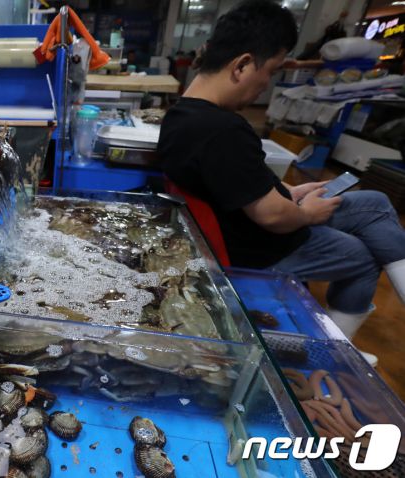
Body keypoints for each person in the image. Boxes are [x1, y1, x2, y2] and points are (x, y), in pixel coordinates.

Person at [157, 0, 405, 365]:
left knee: (374, 203)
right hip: (255, 246)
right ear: (242, 65)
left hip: (235, 223)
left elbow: (230, 180)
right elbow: (273, 217)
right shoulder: (224, 130)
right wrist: (306, 214)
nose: (266, 85)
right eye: (270, 71)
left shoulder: (180, 115)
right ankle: (334, 354)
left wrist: (286, 192)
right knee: (363, 256)